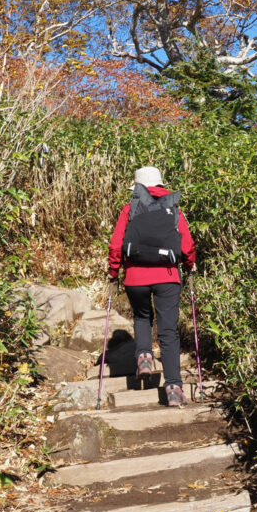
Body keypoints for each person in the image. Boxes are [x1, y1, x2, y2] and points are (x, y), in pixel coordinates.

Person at [107, 166, 196, 407]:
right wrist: (190, 265)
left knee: (142, 316)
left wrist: (114, 271)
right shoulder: (173, 208)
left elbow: (116, 244)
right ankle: (174, 388)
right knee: (168, 333)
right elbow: (187, 245)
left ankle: (144, 356)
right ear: (160, 184)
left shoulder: (131, 208)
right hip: (167, 277)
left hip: (135, 277)